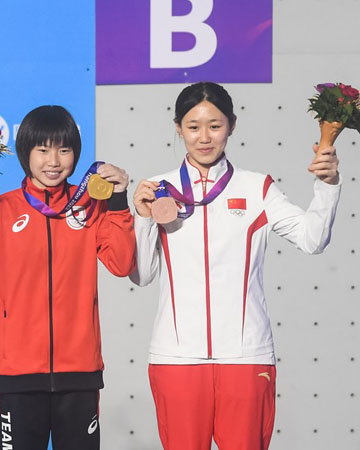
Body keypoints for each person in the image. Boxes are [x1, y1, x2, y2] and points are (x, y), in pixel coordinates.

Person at [130, 82, 341, 450]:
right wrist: (144, 219)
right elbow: (143, 274)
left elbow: (313, 239)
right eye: (193, 127)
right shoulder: (157, 188)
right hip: (176, 359)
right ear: (177, 128)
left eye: (215, 125)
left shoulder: (257, 187)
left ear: (232, 125)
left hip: (246, 357)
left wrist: (327, 185)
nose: (204, 137)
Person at [0, 105, 136, 450]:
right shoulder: (0, 210)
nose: (54, 161)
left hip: (79, 372)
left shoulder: (91, 206)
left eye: (64, 150)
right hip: (16, 375)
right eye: (43, 149)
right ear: (25, 153)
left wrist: (119, 202)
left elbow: (121, 263)